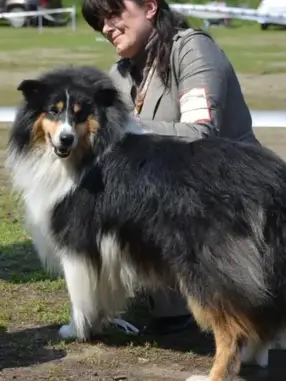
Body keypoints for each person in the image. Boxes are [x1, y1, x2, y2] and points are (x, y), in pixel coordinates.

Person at [81, 0, 260, 335]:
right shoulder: (118, 74)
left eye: (114, 13)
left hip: (227, 200)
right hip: (171, 201)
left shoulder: (193, 49)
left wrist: (126, 127)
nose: (106, 27)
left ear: (150, 7)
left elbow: (200, 133)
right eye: (100, 21)